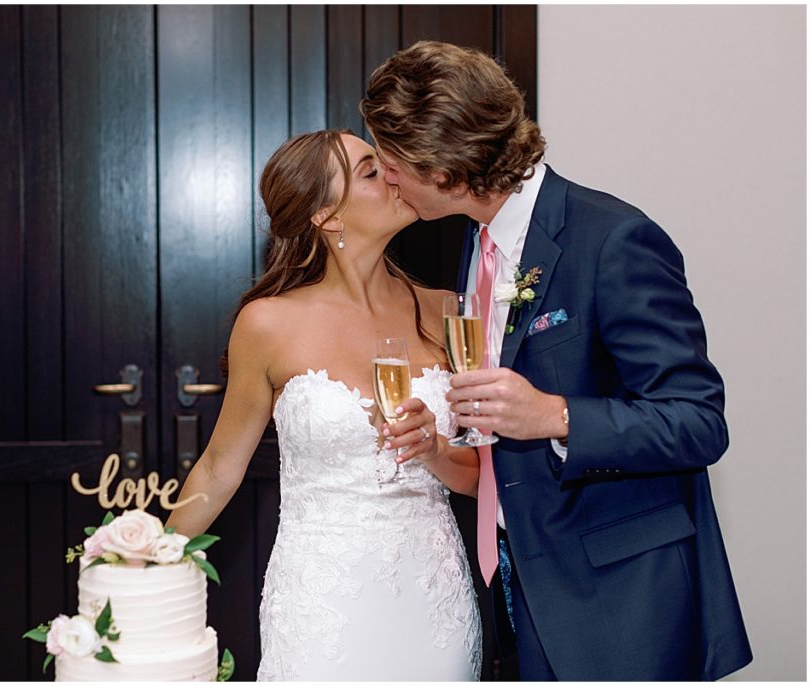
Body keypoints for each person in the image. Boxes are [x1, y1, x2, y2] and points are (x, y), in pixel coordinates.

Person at [360, 41, 753, 681]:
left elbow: (698, 421)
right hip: (514, 585)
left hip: (620, 599)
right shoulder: (476, 243)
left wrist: (555, 415)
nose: (388, 175)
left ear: (444, 167)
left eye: (392, 159)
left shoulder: (612, 239)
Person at [167, 129, 483, 681]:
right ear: (326, 216)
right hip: (322, 602)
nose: (393, 174)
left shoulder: (449, 312)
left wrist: (433, 449)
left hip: (433, 598)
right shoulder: (268, 324)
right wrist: (148, 558)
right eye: (369, 171)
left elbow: (484, 476)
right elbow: (219, 468)